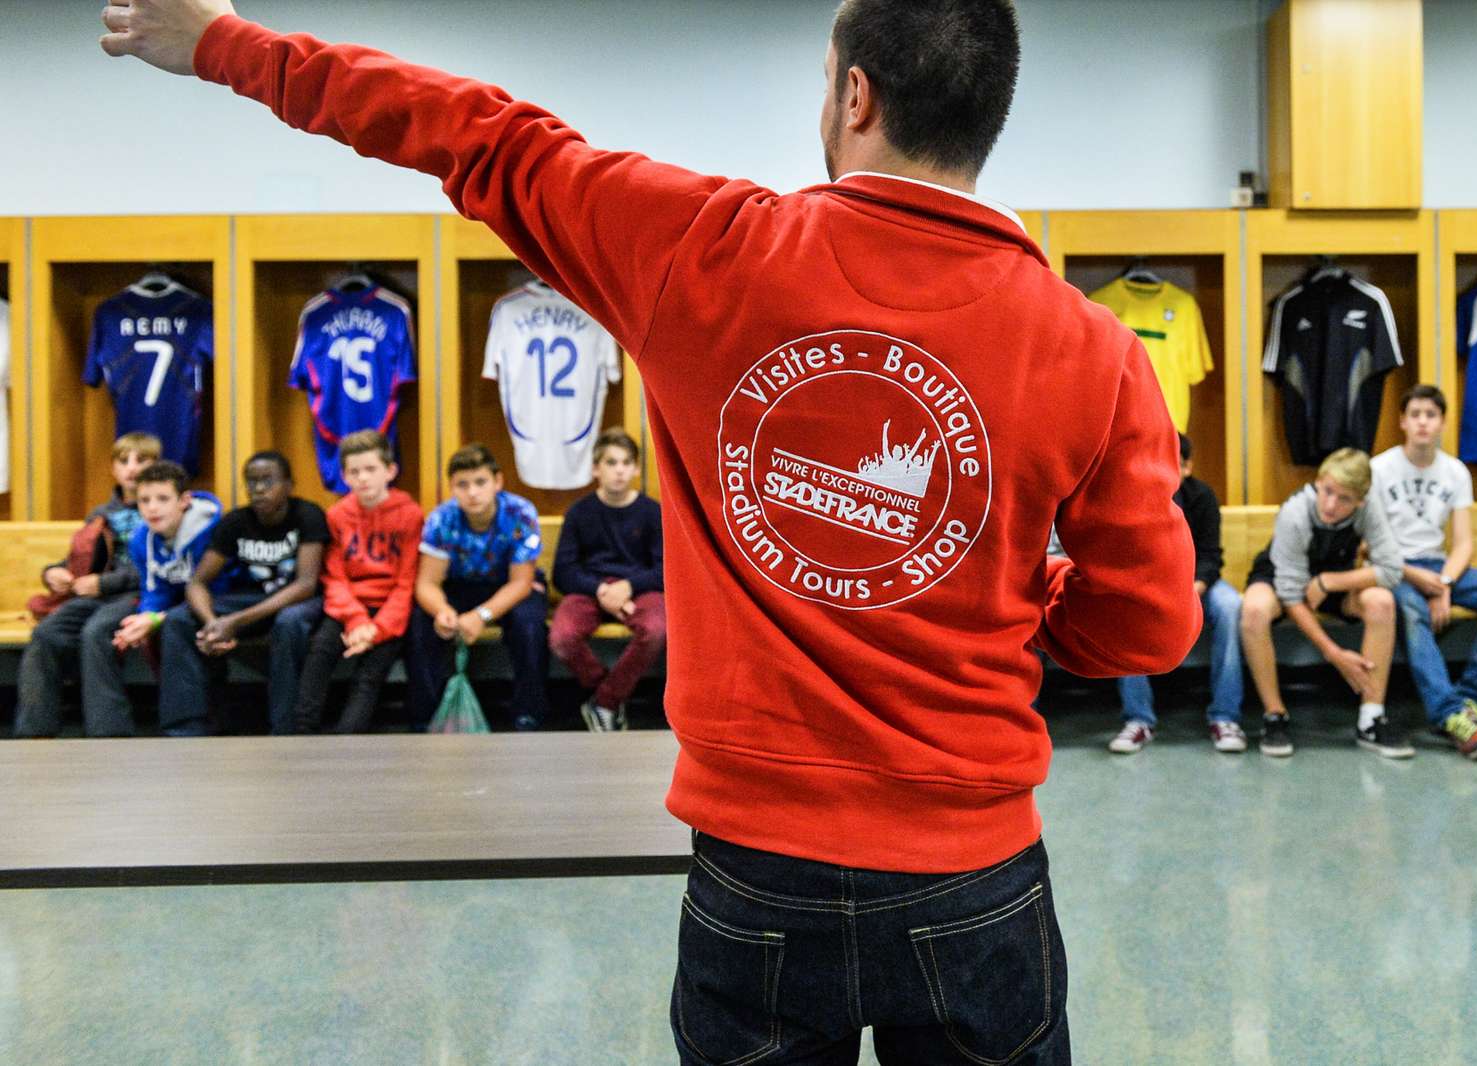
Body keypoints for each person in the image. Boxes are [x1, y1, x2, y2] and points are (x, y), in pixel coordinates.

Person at [109, 2, 1196, 1060]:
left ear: (855, 95)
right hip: (975, 872)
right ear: (988, 113)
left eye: (827, 81)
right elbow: (1145, 629)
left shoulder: (703, 248)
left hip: (757, 868)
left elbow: (473, 131)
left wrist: (228, 45)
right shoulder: (1095, 351)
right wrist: (1021, 598)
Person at [1375, 384, 1477, 761]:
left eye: (1431, 415)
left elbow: (1463, 544)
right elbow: (1372, 545)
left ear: (1442, 423)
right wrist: (1415, 577)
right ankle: (1449, 716)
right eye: (1415, 415)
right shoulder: (1380, 469)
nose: (1423, 423)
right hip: (1395, 569)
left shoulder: (1455, 472)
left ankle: (1470, 701)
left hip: (1439, 567)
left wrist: (1443, 584)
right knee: (1413, 611)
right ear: (1402, 422)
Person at [1238, 447, 1408, 759]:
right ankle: (1275, 715)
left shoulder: (1369, 509)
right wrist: (1333, 653)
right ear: (1318, 482)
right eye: (1327, 491)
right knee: (1253, 610)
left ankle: (1371, 718)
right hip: (1282, 578)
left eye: (1344, 499)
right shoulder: (1295, 512)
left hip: (1332, 579)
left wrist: (1329, 582)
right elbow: (1290, 594)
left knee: (1382, 601)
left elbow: (1392, 570)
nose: (1331, 505)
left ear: (1360, 501)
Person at [160, 451, 330, 735]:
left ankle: (285, 729)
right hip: (252, 600)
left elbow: (306, 585)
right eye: (251, 482)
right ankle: (186, 729)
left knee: (289, 623)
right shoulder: (236, 521)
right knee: (178, 620)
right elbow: (197, 582)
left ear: (288, 485)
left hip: (298, 600)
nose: (259, 489)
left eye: (268, 481)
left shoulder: (307, 516)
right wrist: (213, 623)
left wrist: (235, 621)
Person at [14, 432, 161, 737]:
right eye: (124, 461)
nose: (132, 468)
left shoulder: (159, 509)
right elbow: (76, 559)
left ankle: (108, 732)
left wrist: (104, 583)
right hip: (96, 596)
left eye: (142, 460)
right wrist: (53, 574)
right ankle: (33, 733)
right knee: (46, 633)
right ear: (113, 468)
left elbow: (160, 567)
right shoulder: (101, 514)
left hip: (140, 595)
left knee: (96, 631)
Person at [1108, 434, 1245, 753]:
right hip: (1152, 586)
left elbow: (1211, 556)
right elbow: (1129, 556)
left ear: (1187, 467)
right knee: (1124, 607)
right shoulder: (1136, 497)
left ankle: (1225, 717)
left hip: (1198, 585)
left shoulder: (1203, 497)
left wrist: (1192, 590)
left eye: (1176, 465)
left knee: (1230, 606)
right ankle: (1138, 719)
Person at [408, 444, 550, 731]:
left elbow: (521, 583)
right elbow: (427, 583)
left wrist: (481, 616)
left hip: (510, 586)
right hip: (459, 586)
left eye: (480, 482)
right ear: (452, 487)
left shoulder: (520, 513)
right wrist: (442, 610)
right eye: (462, 485)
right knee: (420, 623)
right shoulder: (442, 519)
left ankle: (529, 714)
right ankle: (424, 717)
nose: (472, 492)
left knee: (529, 625)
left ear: (497, 482)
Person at [293, 430, 423, 733]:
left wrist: (375, 630)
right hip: (348, 609)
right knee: (320, 653)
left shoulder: (411, 515)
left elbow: (406, 583)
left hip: (389, 612)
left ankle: (348, 738)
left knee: (369, 675)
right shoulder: (337, 515)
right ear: (344, 476)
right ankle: (301, 732)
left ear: (390, 471)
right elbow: (334, 577)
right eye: (354, 472)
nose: (363, 478)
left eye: (371, 469)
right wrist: (356, 620)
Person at [549, 428, 665, 733]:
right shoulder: (579, 512)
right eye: (611, 463)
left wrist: (627, 587)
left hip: (639, 589)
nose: (619, 470)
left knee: (656, 630)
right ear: (595, 469)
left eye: (626, 463)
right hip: (590, 589)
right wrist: (601, 590)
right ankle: (610, 695)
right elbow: (563, 571)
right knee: (562, 637)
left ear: (636, 469)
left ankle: (603, 702)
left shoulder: (651, 512)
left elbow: (664, 569)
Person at [108, 460, 223, 736]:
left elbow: (217, 588)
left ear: (184, 501)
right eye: (144, 500)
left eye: (162, 499)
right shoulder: (142, 540)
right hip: (182, 605)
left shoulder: (212, 531)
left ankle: (185, 729)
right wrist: (145, 617)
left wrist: (159, 618)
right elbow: (155, 591)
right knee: (143, 627)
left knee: (176, 623)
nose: (152, 508)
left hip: (222, 598)